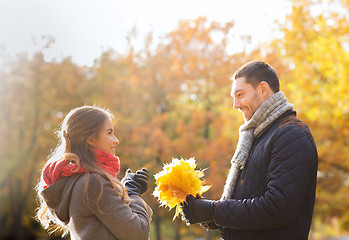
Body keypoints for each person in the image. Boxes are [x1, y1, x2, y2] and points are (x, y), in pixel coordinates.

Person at [181, 60, 318, 240]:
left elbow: (277, 208)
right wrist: (206, 213)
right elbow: (248, 202)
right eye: (234, 97)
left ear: (262, 89)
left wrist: (214, 210)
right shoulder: (259, 135)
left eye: (240, 95)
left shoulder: (290, 134)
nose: (235, 105)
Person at [35, 106, 152, 240]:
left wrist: (125, 190)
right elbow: (138, 234)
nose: (116, 140)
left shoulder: (78, 180)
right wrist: (133, 193)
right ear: (91, 139)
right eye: (109, 132)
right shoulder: (94, 183)